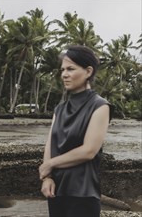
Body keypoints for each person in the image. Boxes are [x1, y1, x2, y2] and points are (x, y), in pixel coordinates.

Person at [39, 45, 113, 217]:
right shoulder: (60, 109)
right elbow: (50, 145)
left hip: (83, 192)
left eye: (71, 69)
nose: (64, 74)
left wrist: (49, 164)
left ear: (88, 71)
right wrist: (47, 178)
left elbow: (88, 151)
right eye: (62, 69)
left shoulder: (100, 106)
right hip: (56, 190)